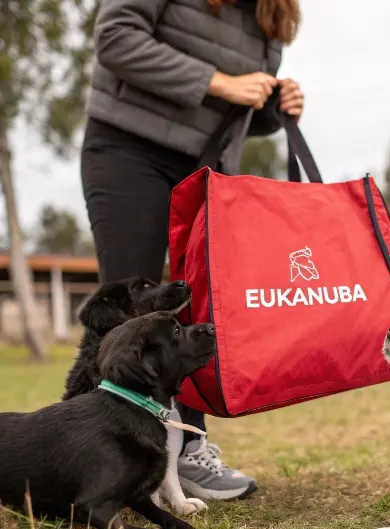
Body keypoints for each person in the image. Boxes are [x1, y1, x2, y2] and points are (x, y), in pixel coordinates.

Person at [81, 0, 304, 501]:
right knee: (129, 307)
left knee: (197, 310)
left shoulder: (273, 12)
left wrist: (272, 104)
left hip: (204, 166)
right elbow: (114, 38)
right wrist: (220, 81)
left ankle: (184, 452)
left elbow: (240, 108)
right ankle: (108, 453)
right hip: (127, 148)